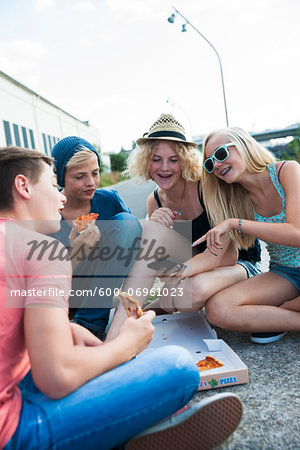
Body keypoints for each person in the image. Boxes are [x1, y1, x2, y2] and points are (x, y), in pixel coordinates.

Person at [0, 146, 243, 449]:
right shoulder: (40, 249)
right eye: (52, 185)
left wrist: (69, 329)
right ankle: (123, 432)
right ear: (23, 186)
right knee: (179, 367)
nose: (61, 196)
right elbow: (56, 378)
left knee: (76, 356)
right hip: (14, 432)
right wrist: (128, 345)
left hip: (15, 384)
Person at [123, 114, 261, 315]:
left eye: (173, 160)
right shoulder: (155, 201)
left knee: (187, 293)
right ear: (145, 161)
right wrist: (155, 231)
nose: (164, 168)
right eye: (156, 159)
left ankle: (143, 313)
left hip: (240, 265)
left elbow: (225, 257)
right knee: (148, 229)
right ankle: (133, 317)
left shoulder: (207, 188)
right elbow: (161, 265)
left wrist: (176, 277)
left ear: (185, 160)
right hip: (198, 270)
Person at [192, 126, 300, 343]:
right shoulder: (234, 201)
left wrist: (236, 224)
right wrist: (172, 271)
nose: (217, 164)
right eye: (210, 163)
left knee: (289, 306)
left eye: (221, 154)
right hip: (286, 273)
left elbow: (297, 233)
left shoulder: (288, 170)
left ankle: (280, 314)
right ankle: (290, 319)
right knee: (217, 309)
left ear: (246, 144)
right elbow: (214, 257)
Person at [51, 136, 142, 339]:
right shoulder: (47, 209)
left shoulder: (109, 201)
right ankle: (79, 321)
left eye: (95, 173)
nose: (91, 182)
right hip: (63, 295)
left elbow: (133, 241)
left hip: (101, 290)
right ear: (60, 178)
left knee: (129, 222)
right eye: (80, 176)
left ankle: (90, 324)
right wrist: (76, 251)